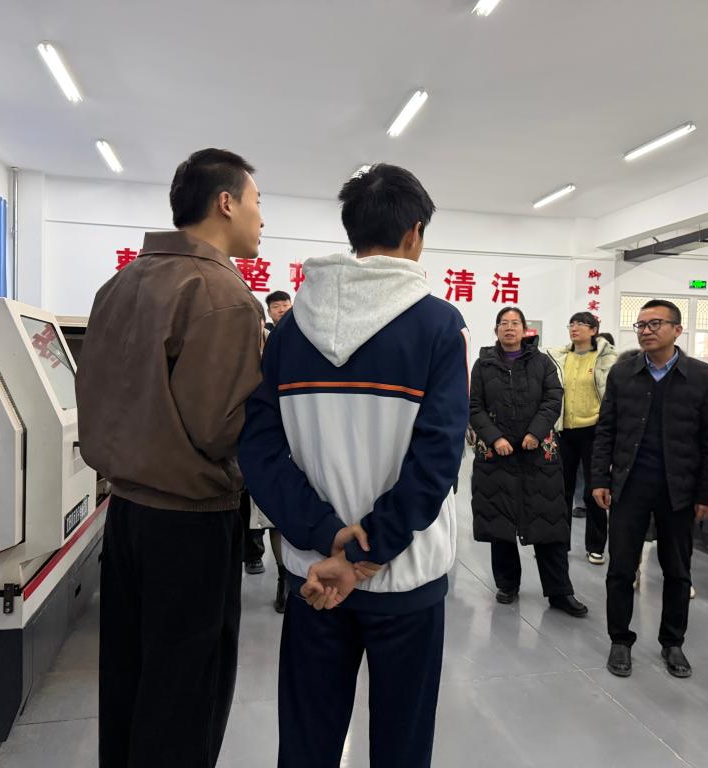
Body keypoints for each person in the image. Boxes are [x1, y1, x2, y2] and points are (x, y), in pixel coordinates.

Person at [238, 163, 468, 768]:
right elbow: (438, 456)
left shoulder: (290, 331)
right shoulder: (439, 325)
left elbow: (259, 448)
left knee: (308, 741)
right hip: (406, 576)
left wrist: (327, 537)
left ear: (352, 231)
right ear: (414, 234)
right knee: (401, 743)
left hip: (313, 576)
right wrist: (369, 551)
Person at [76, 148, 265, 767]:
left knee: (128, 680)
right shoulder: (223, 295)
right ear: (226, 203)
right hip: (190, 521)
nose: (262, 218)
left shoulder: (122, 283)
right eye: (257, 202)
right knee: (185, 694)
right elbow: (219, 429)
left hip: (126, 512)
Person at [591, 299, 708, 680]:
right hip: (630, 485)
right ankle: (620, 639)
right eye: (641, 325)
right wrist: (599, 478)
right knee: (621, 567)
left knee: (677, 571)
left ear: (677, 330)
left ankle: (673, 642)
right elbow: (606, 429)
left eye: (655, 324)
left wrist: (707, 494)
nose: (646, 331)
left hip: (679, 490)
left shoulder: (702, 377)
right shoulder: (623, 373)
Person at [470, 307, 588, 618]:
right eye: (503, 323)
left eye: (515, 323)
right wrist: (495, 438)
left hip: (538, 456)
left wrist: (536, 432)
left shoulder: (541, 362)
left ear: (525, 330)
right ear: (496, 329)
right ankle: (507, 584)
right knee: (501, 524)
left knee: (549, 524)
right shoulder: (483, 364)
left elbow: (553, 398)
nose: (509, 328)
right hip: (498, 456)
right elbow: (475, 406)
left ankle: (560, 591)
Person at [545, 312, 617, 565]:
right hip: (565, 431)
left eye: (581, 324)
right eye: (572, 324)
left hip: (594, 431)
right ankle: (559, 542)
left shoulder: (606, 359)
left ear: (593, 330)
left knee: (593, 490)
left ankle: (595, 546)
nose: (574, 328)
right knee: (561, 490)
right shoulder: (560, 357)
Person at [242, 295, 289, 613]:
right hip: (253, 442)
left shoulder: (285, 345)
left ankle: (287, 578)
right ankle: (264, 563)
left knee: (279, 517)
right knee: (262, 517)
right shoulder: (240, 351)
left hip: (285, 440)